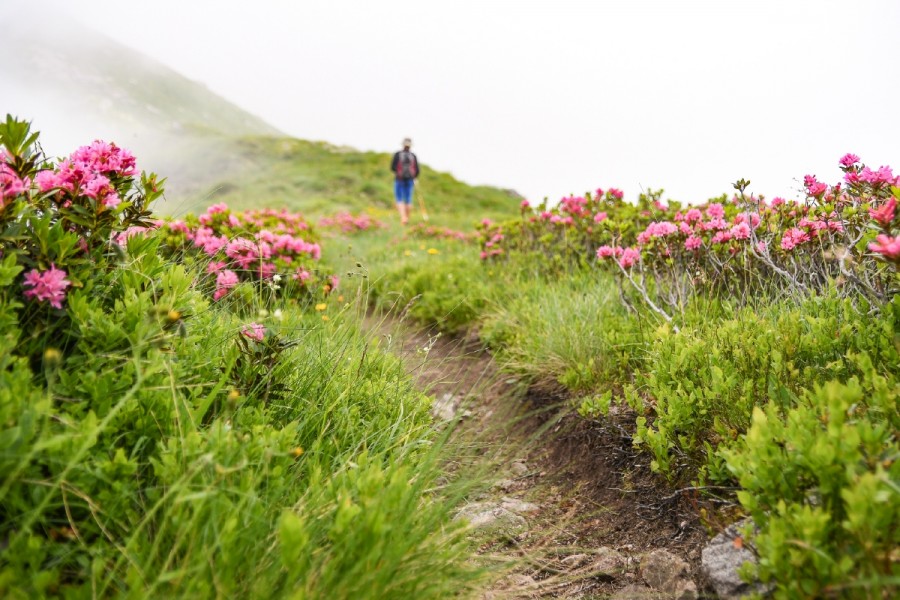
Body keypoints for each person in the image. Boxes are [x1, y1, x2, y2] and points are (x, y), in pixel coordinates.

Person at [390, 138, 419, 225]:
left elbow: (392, 167)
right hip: (410, 180)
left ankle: (403, 218)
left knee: (399, 199)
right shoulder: (413, 156)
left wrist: (398, 172)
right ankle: (407, 218)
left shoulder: (398, 154)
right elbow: (417, 171)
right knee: (408, 200)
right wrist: (414, 177)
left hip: (399, 179)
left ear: (403, 144)